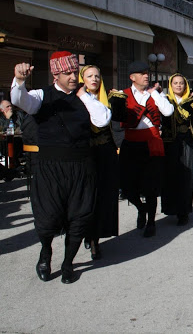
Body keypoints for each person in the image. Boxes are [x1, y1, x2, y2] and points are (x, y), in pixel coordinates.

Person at [11, 52, 111, 283]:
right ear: (56, 74)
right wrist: (19, 80)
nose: (73, 77)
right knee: (47, 217)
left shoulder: (86, 97)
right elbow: (20, 100)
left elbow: (102, 120)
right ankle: (46, 252)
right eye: (67, 73)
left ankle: (68, 263)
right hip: (50, 168)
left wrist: (83, 96)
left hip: (81, 167)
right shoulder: (41, 95)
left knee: (80, 216)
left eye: (75, 72)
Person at [110, 61, 174, 237]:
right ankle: (141, 208)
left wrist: (157, 95)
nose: (146, 76)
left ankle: (151, 222)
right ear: (132, 77)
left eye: (147, 73)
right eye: (142, 73)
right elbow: (115, 121)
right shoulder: (122, 95)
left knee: (151, 186)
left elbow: (168, 111)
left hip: (152, 142)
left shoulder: (155, 94)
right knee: (128, 186)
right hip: (130, 143)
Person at [79, 65, 118, 260]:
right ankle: (87, 234)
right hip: (84, 154)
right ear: (82, 79)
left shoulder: (108, 98)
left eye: (97, 76)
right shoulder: (76, 100)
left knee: (102, 196)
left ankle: (96, 239)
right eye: (89, 76)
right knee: (86, 197)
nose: (94, 79)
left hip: (105, 153)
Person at [161, 73, 193, 225]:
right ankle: (171, 208)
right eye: (175, 83)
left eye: (181, 83)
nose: (178, 86)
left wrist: (192, 102)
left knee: (187, 176)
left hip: (187, 140)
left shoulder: (191, 100)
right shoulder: (165, 100)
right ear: (171, 86)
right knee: (170, 175)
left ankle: (184, 211)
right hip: (170, 142)